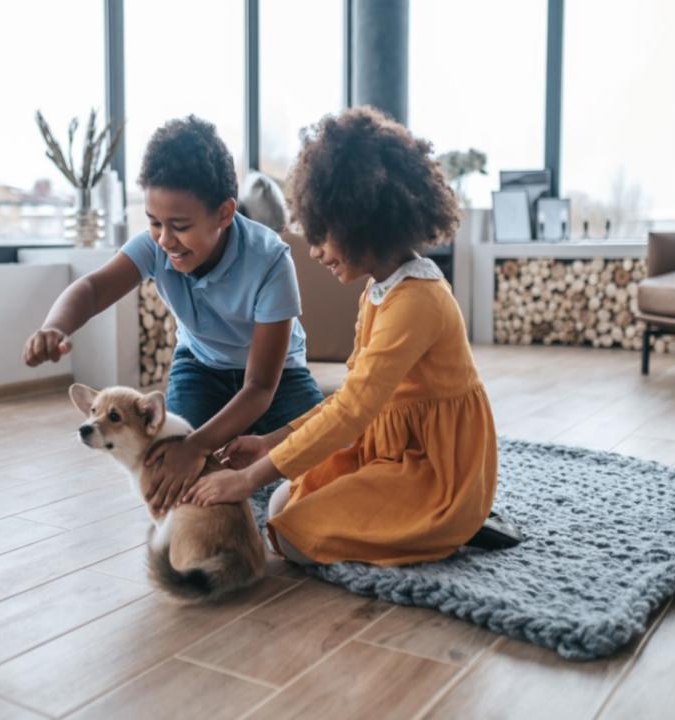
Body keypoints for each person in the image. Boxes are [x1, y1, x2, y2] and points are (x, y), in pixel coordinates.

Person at [186, 106, 498, 566]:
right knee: (282, 507)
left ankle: (451, 524)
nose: (314, 252)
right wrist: (269, 443)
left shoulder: (417, 302)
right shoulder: (379, 288)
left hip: (434, 470)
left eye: (321, 236)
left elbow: (352, 413)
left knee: (293, 536)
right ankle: (406, 525)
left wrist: (249, 479)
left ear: (362, 221)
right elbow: (348, 398)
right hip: (389, 448)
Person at [23, 115, 323, 513]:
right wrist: (54, 325)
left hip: (277, 376)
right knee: (165, 463)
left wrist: (197, 444)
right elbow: (93, 289)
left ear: (224, 213)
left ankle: (248, 438)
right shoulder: (154, 247)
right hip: (200, 367)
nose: (165, 240)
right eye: (153, 223)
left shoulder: (270, 260)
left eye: (179, 226)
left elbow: (259, 389)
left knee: (325, 453)